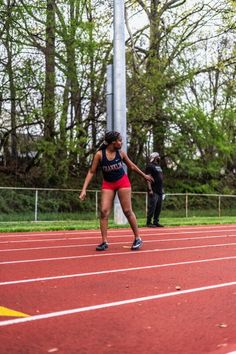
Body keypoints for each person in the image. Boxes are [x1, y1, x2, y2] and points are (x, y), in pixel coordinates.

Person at [79, 131, 153, 251]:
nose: (122, 142)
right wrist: (84, 190)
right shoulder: (99, 154)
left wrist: (144, 175)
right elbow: (91, 171)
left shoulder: (121, 153)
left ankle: (138, 238)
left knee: (127, 210)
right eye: (120, 140)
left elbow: (132, 166)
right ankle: (104, 241)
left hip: (122, 182)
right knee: (103, 211)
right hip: (108, 184)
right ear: (113, 142)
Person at [145, 152, 164, 227]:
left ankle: (156, 221)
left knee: (158, 207)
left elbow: (161, 178)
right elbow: (148, 178)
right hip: (153, 190)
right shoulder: (150, 166)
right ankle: (148, 222)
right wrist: (150, 189)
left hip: (160, 190)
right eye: (158, 156)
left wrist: (162, 189)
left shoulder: (158, 166)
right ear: (155, 157)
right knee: (152, 207)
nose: (159, 157)